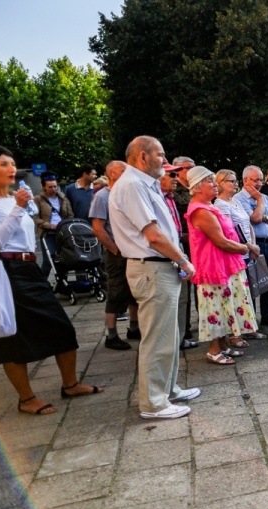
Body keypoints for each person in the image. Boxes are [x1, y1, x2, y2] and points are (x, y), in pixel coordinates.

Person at [0, 145, 104, 416]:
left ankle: (70, 384)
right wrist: (18, 208)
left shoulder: (15, 198)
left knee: (62, 326)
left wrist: (18, 206)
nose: (12, 169)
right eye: (3, 164)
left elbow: (29, 237)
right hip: (5, 271)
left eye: (13, 164)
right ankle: (26, 398)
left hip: (28, 269)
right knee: (12, 337)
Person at [109, 136, 199, 420]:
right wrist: (183, 260)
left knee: (169, 334)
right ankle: (154, 403)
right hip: (151, 267)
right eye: (160, 155)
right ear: (142, 156)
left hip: (160, 267)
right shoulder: (133, 185)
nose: (164, 160)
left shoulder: (143, 184)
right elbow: (154, 236)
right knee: (157, 337)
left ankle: (168, 388)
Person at [185, 166, 258, 363]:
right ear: (198, 187)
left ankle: (224, 345)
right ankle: (214, 350)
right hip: (213, 266)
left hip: (224, 264)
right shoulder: (200, 210)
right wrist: (244, 248)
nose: (215, 184)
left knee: (226, 305)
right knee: (215, 307)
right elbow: (221, 241)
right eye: (210, 181)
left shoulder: (209, 206)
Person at [89, 160, 140, 350]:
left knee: (134, 291)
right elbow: (98, 229)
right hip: (117, 252)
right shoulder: (102, 196)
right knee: (117, 291)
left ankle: (134, 328)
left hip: (132, 250)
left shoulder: (127, 193)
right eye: (122, 171)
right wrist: (115, 249)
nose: (127, 174)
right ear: (110, 174)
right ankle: (111, 335)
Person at [214, 169, 268, 342]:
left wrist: (253, 246)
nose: (235, 184)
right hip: (235, 252)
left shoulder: (234, 202)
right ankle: (235, 333)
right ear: (220, 183)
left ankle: (249, 326)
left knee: (247, 292)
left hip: (247, 250)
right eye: (231, 181)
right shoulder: (220, 204)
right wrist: (247, 246)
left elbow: (247, 224)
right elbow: (229, 231)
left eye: (236, 180)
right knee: (235, 294)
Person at [236, 165, 268, 328]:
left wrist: (264, 215)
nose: (259, 183)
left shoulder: (265, 197)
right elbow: (255, 219)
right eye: (255, 180)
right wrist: (259, 203)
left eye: (260, 180)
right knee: (252, 282)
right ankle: (250, 318)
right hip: (253, 246)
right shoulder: (238, 200)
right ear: (245, 180)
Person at [160, 165, 199, 351]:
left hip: (179, 249)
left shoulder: (170, 197)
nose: (176, 178)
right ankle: (170, 341)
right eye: (172, 174)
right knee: (170, 301)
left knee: (183, 298)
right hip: (165, 255)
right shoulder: (156, 198)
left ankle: (180, 337)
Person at [171, 156, 197, 343]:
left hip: (198, 241)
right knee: (184, 287)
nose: (193, 171)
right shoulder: (173, 190)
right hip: (184, 242)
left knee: (199, 285)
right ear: (178, 170)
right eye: (189, 168)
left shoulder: (194, 189)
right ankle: (184, 328)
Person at [32, 171, 74, 277]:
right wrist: (49, 225)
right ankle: (41, 284)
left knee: (63, 259)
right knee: (48, 260)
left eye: (55, 186)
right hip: (47, 232)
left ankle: (62, 283)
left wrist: (65, 225)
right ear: (44, 187)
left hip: (62, 231)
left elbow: (70, 215)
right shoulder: (38, 199)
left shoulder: (62, 198)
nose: (53, 189)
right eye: (50, 187)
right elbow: (35, 217)